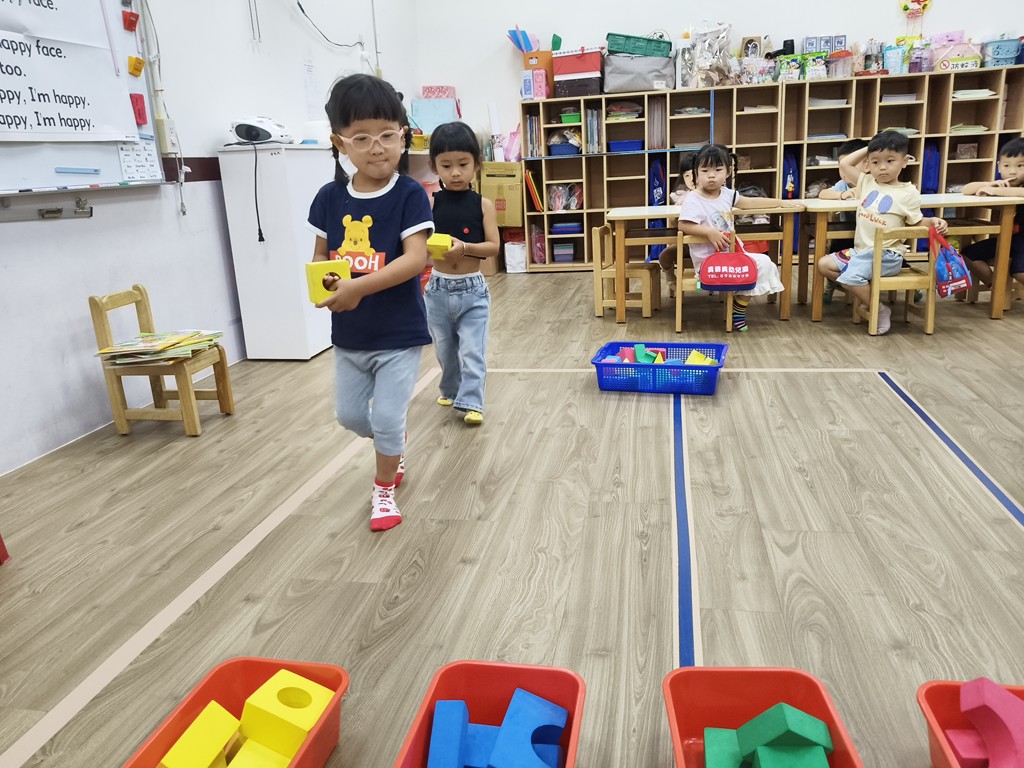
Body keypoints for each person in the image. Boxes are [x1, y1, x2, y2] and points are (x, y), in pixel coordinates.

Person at [308, 74, 433, 532]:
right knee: (349, 416)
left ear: (403, 135)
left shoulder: (409, 194)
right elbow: (321, 257)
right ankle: (392, 439)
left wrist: (358, 288)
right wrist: (326, 287)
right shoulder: (329, 198)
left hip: (399, 334)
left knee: (385, 416)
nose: (377, 148)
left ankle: (383, 490)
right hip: (350, 336)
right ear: (339, 143)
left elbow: (415, 259)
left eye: (387, 135)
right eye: (361, 138)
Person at [816, 129, 948, 335]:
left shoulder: (908, 192)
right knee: (824, 264)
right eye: (875, 162)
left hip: (887, 255)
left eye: (890, 160)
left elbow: (915, 222)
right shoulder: (866, 182)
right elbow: (844, 164)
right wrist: (870, 146)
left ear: (905, 161)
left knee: (850, 277)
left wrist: (933, 221)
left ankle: (877, 308)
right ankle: (872, 299)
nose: (882, 167)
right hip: (861, 252)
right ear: (868, 163)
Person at [424, 121, 500, 426]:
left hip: (472, 291)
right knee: (444, 349)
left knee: (472, 349)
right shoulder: (429, 203)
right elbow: (419, 247)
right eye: (446, 165)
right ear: (434, 167)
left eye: (463, 164)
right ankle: (450, 389)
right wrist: (429, 250)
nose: (455, 172)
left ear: (477, 164)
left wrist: (465, 248)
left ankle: (471, 402)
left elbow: (493, 247)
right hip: (437, 290)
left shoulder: (484, 205)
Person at [678, 143, 801, 331]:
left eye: (718, 170)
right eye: (705, 170)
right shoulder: (693, 198)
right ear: (696, 173)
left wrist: (780, 203)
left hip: (732, 257)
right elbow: (683, 225)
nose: (711, 175)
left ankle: (739, 307)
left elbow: (749, 202)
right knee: (755, 266)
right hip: (709, 263)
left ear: (728, 172)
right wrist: (709, 232)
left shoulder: (728, 194)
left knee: (765, 264)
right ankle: (737, 307)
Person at [961, 137, 1024, 292]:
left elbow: (1020, 192)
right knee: (968, 254)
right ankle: (996, 288)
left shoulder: (1008, 189)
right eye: (1006, 165)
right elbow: (966, 189)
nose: (1013, 171)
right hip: (1013, 239)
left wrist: (995, 191)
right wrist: (989, 184)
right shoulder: (1001, 184)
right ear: (999, 167)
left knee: (1019, 271)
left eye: (1020, 165)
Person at [818, 139, 869, 303]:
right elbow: (822, 194)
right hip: (849, 234)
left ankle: (912, 287)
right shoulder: (843, 185)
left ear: (868, 164)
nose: (845, 173)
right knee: (835, 248)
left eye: (850, 166)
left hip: (872, 237)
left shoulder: (874, 183)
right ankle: (833, 283)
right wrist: (841, 195)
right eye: (841, 168)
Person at [658, 151, 696, 295]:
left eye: (694, 174)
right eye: (687, 175)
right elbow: (673, 222)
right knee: (664, 256)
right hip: (686, 245)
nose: (691, 179)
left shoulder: (713, 196)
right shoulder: (681, 196)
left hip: (709, 246)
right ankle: (673, 283)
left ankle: (709, 286)